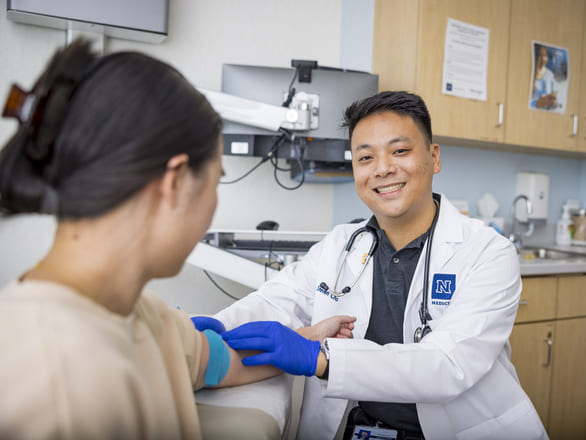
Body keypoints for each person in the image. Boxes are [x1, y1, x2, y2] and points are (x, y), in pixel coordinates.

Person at [0, 40, 355, 440]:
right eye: (216, 180)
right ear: (175, 183)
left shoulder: (148, 318)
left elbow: (224, 363)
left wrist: (307, 340)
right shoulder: (47, 384)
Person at [195, 91, 549, 439]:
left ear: (434, 157)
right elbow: (276, 301)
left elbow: (448, 365)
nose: (383, 169)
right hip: (364, 429)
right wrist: (210, 330)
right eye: (365, 158)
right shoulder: (339, 245)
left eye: (400, 151)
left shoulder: (487, 252)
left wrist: (323, 358)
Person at [530, 44, 558, 110]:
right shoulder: (529, 73)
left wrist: (554, 103)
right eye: (539, 56)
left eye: (545, 56)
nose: (543, 59)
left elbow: (555, 100)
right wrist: (537, 103)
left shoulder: (550, 75)